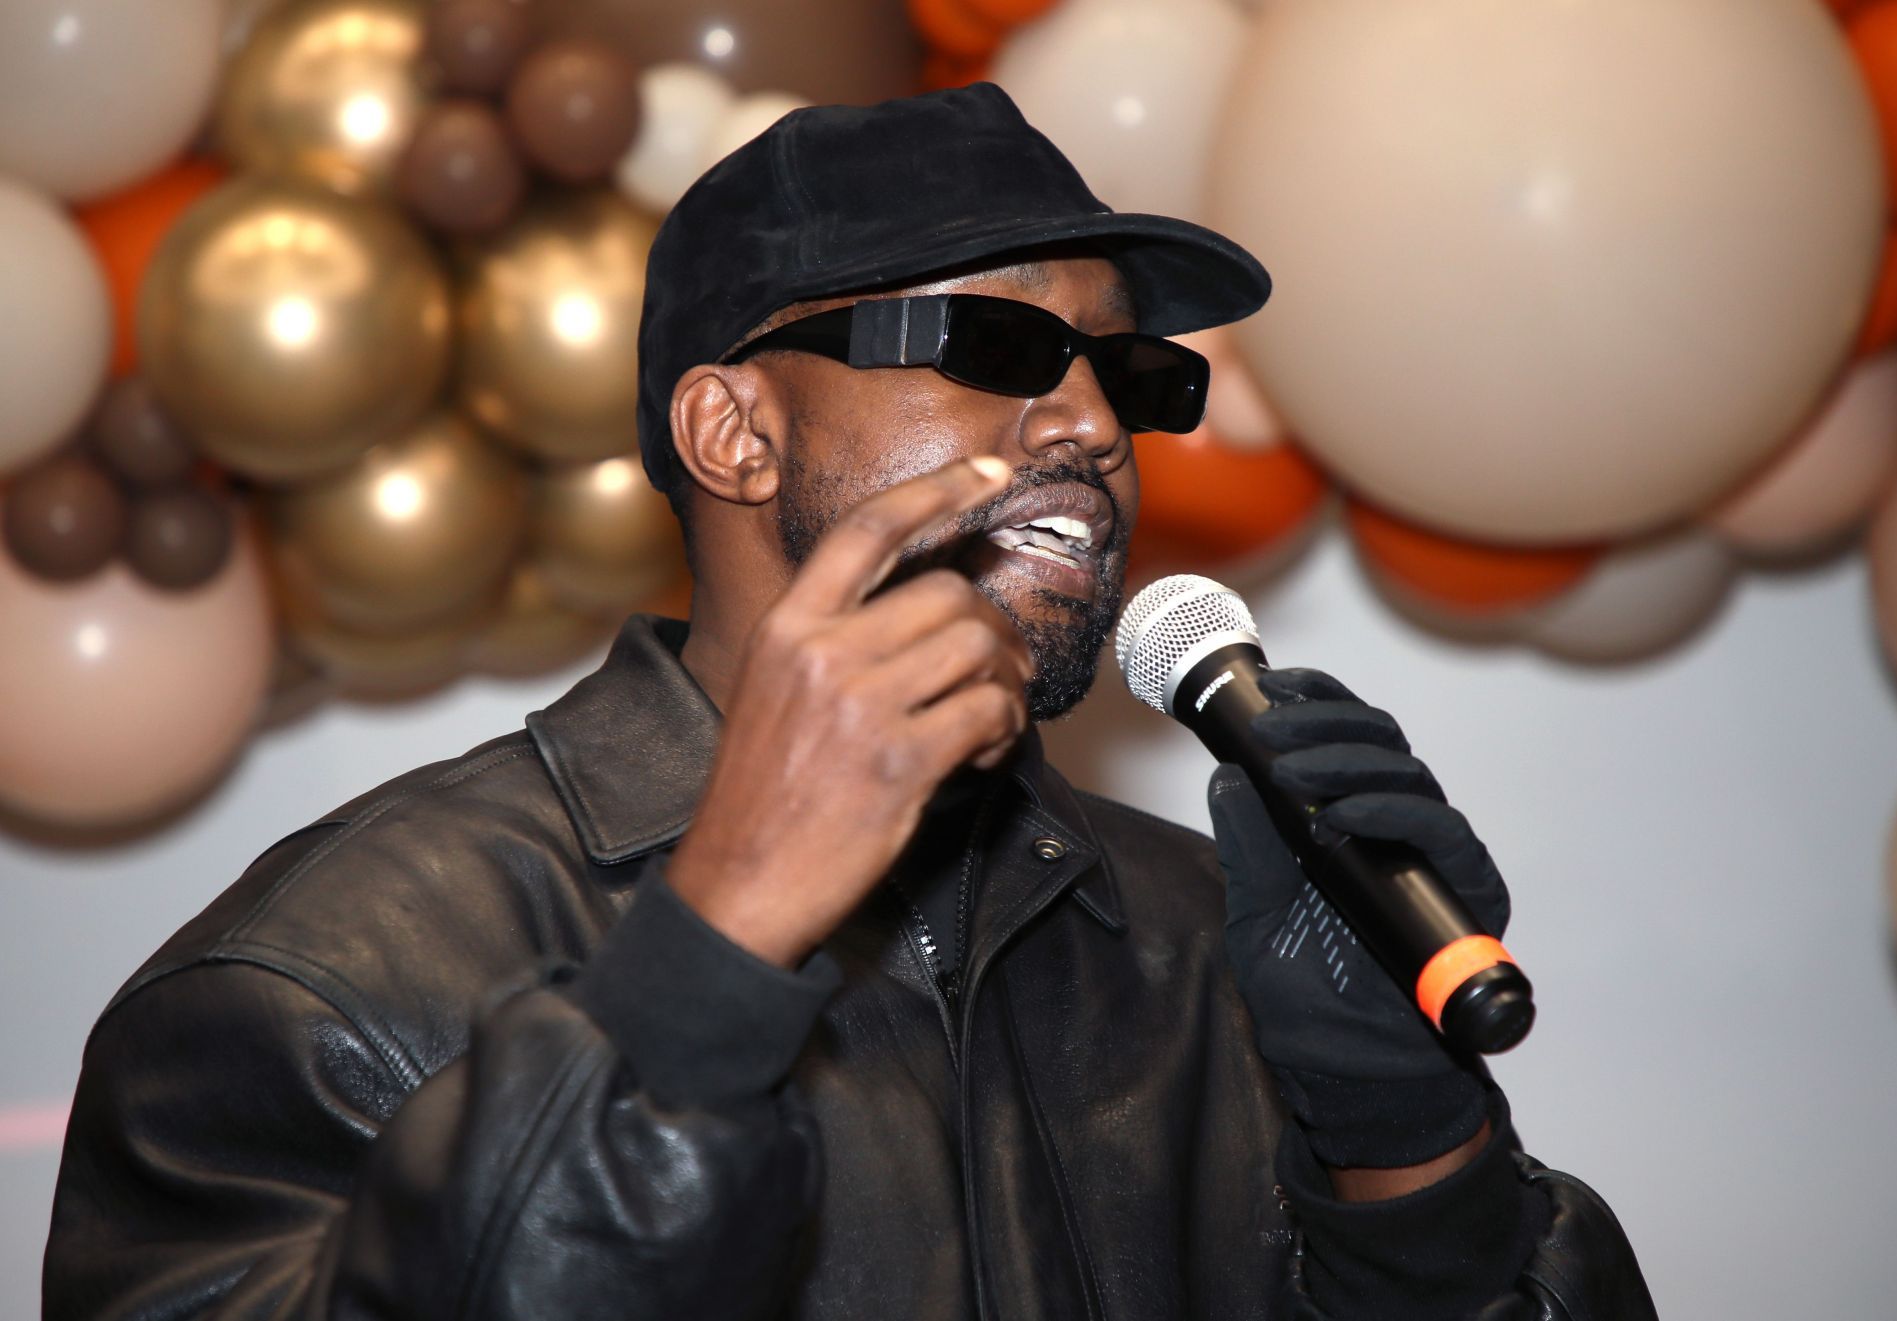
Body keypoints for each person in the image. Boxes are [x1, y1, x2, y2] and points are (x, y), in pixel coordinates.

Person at [43, 84, 1655, 1319]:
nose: (1093, 420)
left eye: (1132, 374)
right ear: (735, 434)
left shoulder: (1197, 941)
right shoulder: (322, 984)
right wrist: (709, 958)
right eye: (1000, 342)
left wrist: (1407, 1149)